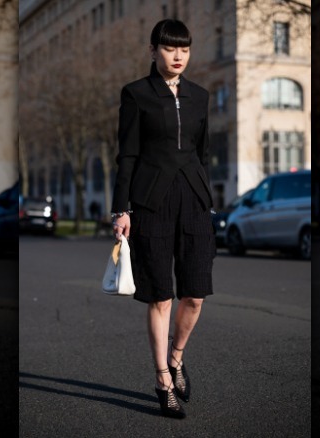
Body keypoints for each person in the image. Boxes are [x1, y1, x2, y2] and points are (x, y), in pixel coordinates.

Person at [111, 18, 215, 419]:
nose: (177, 56)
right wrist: (122, 209)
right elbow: (128, 155)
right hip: (151, 202)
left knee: (195, 293)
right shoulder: (136, 93)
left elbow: (203, 153)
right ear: (153, 50)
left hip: (194, 199)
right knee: (160, 296)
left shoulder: (200, 96)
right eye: (170, 48)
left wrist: (205, 194)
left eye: (184, 49)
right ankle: (162, 380)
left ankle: (176, 356)